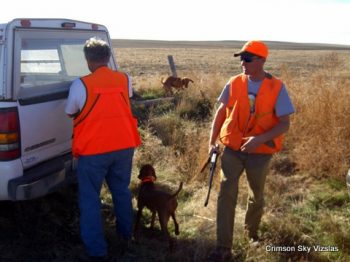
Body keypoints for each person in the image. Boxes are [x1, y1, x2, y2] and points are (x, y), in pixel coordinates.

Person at [207, 40, 295, 261]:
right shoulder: (234, 82)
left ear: (262, 60)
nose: (242, 63)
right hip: (232, 149)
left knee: (257, 195)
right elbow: (220, 113)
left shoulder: (277, 87)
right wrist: (212, 141)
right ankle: (223, 246)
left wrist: (259, 139)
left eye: (247, 59)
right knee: (226, 194)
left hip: (261, 151)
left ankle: (251, 234)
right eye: (241, 59)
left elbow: (284, 123)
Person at [65, 37, 141, 261]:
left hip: (93, 151)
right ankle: (126, 236)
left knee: (90, 199)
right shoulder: (124, 80)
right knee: (121, 191)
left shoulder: (80, 85)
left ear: (88, 60)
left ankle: (97, 251)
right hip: (124, 146)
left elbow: (70, 112)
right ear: (108, 58)